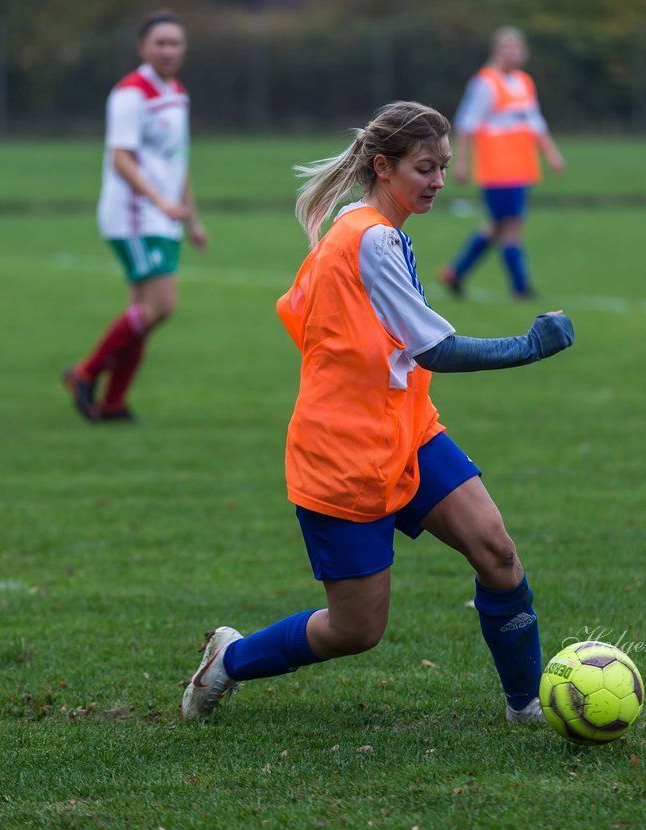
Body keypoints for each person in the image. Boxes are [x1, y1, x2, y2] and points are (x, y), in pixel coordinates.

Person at [180, 101, 576, 722]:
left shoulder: (361, 222)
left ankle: (527, 705)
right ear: (382, 166)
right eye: (425, 168)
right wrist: (528, 346)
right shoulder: (370, 239)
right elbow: (439, 350)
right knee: (356, 629)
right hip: (344, 451)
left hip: (407, 429)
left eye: (444, 166)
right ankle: (230, 660)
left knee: (496, 552)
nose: (440, 181)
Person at [62, 9, 206, 423]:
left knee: (141, 313)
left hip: (162, 215)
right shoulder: (130, 93)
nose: (167, 50)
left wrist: (192, 218)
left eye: (175, 43)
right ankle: (85, 373)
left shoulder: (176, 93)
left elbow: (177, 163)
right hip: (135, 215)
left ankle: (113, 402)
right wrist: (161, 203)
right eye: (159, 42)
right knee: (161, 304)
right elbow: (121, 159)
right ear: (143, 47)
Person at [439, 26, 565, 301]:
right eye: (507, 48)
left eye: (517, 48)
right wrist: (461, 163)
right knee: (511, 226)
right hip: (497, 168)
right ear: (496, 52)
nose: (513, 54)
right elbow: (466, 124)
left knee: (499, 226)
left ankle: (455, 272)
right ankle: (521, 288)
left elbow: (535, 123)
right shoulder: (485, 83)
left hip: (521, 166)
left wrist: (552, 154)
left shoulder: (524, 82)